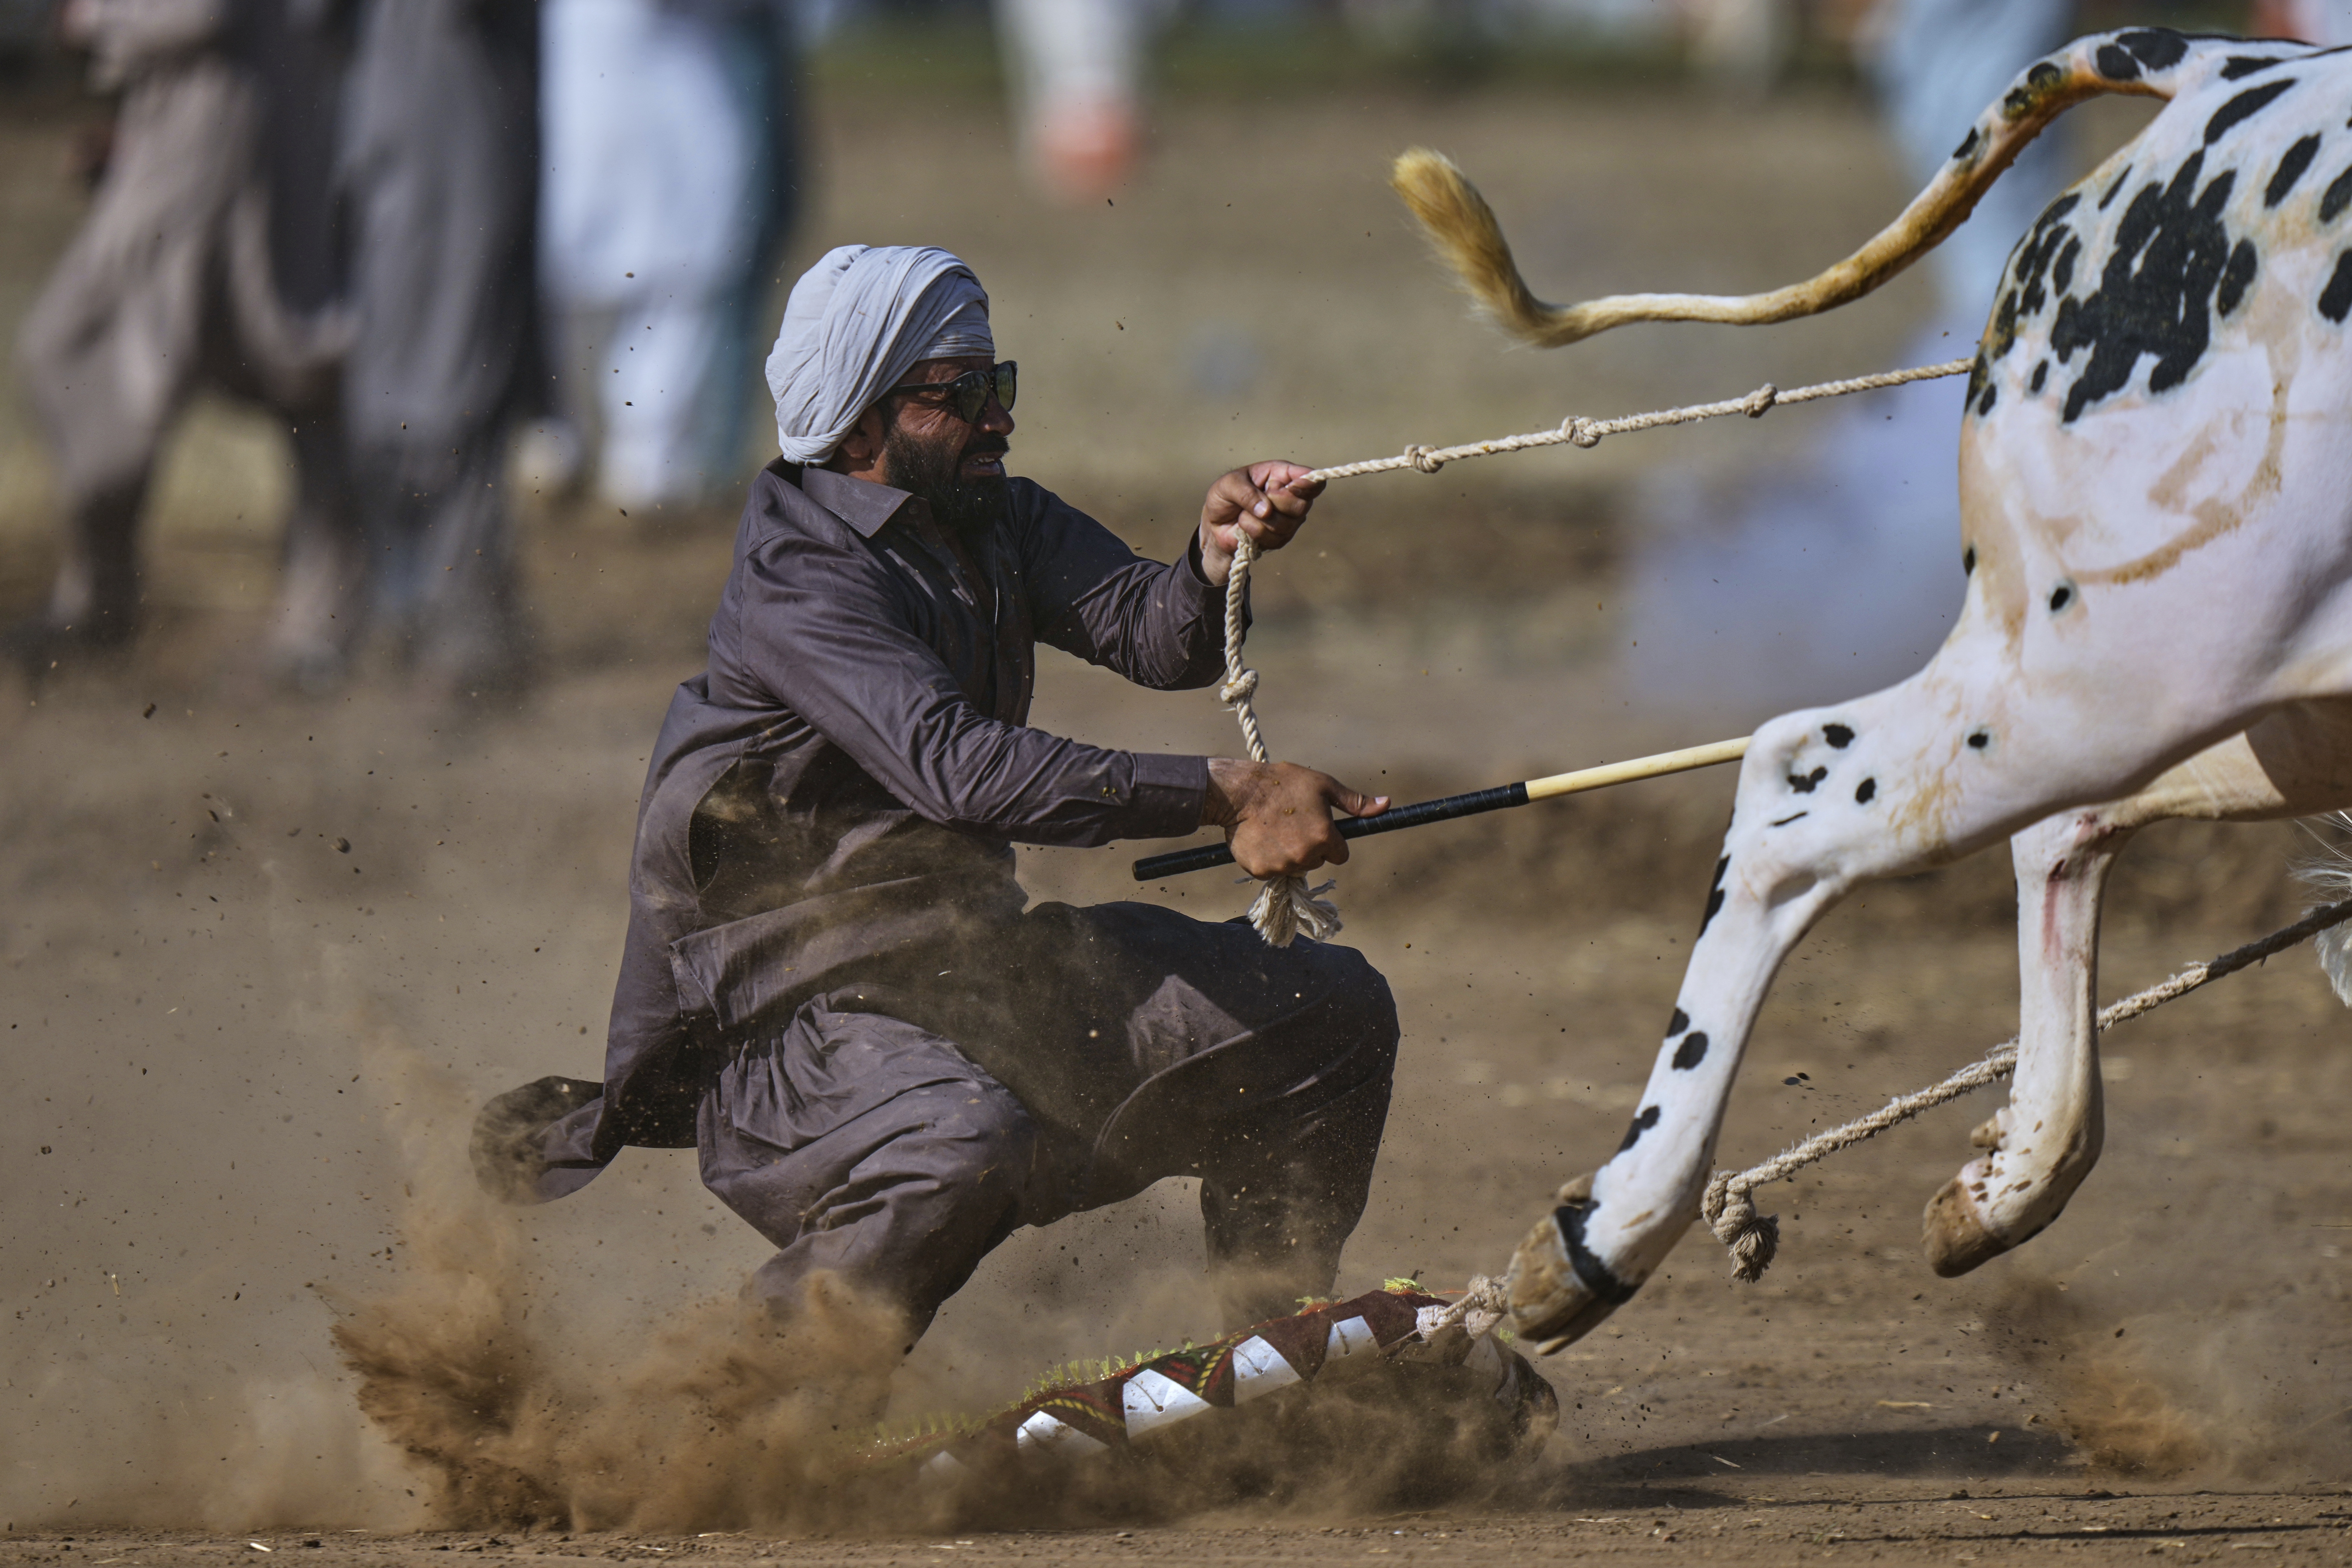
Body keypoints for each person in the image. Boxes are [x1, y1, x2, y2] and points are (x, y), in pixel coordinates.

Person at [475, 245, 1404, 1388]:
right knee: (959, 1144)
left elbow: (1144, 629)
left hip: (974, 978)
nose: (996, 418)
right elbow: (958, 767)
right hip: (802, 1031)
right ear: (861, 421)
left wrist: (1214, 564)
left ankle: (1269, 1362)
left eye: (998, 384)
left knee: (1330, 1011)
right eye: (959, 396)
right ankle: (714, 1415)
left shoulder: (989, 515)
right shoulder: (800, 582)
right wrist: (1229, 794)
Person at [13, 0, 361, 685]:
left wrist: (92, 20)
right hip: (190, 120)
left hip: (227, 135)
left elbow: (201, 13)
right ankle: (101, 593)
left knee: (292, 365)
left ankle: (318, 625)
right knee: (70, 351)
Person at [336, 0, 540, 700]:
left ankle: (469, 622)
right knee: (373, 397)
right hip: (375, 135)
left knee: (457, 389)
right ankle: (389, 610)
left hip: (459, 145)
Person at [537, 0, 799, 509]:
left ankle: (634, 460)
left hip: (641, 91)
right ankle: (583, 446)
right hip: (618, 93)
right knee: (610, 284)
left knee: (674, 281)